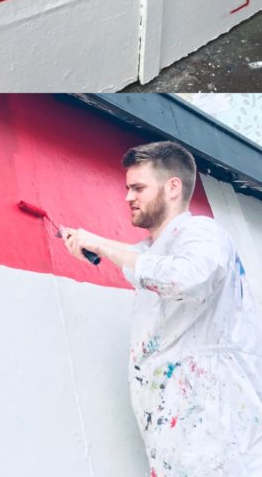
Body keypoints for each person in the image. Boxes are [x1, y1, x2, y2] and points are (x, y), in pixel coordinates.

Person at [62, 141, 262, 475]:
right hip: (178, 447)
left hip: (221, 446)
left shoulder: (202, 233)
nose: (128, 197)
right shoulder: (156, 253)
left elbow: (186, 278)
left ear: (173, 187)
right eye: (128, 188)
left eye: (138, 188)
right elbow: (146, 263)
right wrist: (92, 242)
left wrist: (99, 244)